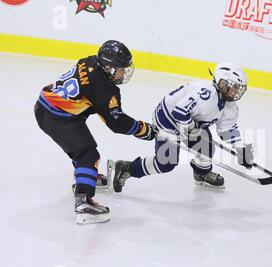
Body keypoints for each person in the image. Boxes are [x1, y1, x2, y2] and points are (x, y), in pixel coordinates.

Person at [34, 40, 156, 225]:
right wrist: (143, 130)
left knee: (79, 146)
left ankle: (86, 176)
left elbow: (94, 103)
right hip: (56, 117)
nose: (124, 73)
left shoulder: (90, 61)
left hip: (48, 106)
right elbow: (117, 123)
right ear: (108, 67)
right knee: (88, 154)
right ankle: (84, 202)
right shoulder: (103, 89)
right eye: (121, 69)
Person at [109, 62, 254, 192]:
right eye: (234, 87)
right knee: (166, 163)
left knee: (206, 147)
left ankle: (201, 174)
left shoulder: (230, 106)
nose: (236, 92)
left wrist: (240, 148)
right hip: (168, 119)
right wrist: (191, 129)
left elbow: (227, 130)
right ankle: (127, 168)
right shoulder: (206, 93)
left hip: (190, 121)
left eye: (238, 88)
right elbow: (179, 112)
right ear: (222, 82)